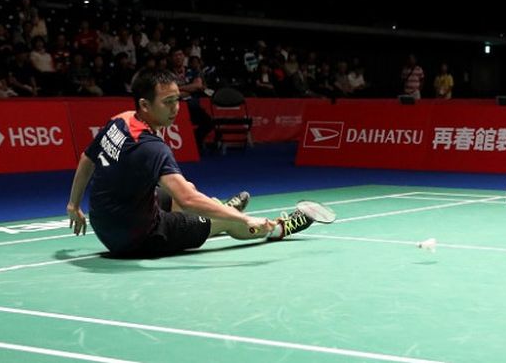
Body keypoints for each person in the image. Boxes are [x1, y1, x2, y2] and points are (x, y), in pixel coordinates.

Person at [66, 68, 322, 257]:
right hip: (139, 238)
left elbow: (87, 159)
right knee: (226, 220)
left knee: (182, 185)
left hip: (104, 224)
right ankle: (276, 228)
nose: (176, 108)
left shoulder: (121, 120)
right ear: (145, 104)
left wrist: (73, 205)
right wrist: (243, 220)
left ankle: (212, 210)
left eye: (178, 100)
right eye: (168, 103)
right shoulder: (152, 148)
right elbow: (187, 200)